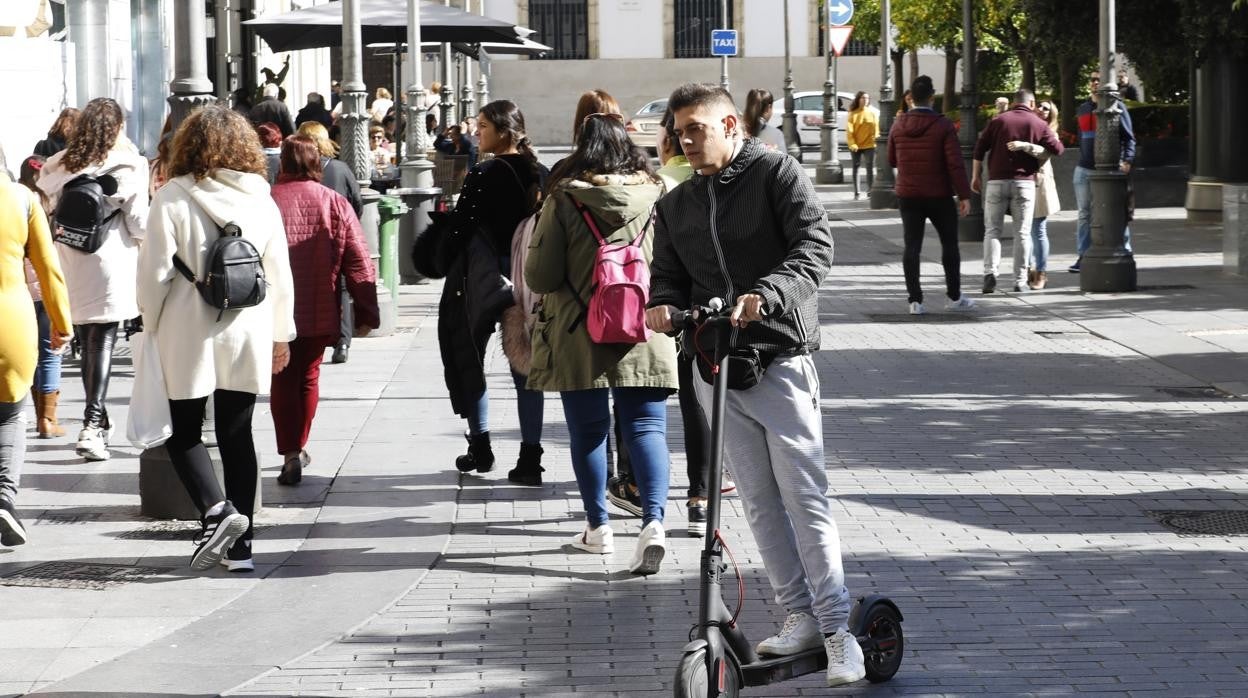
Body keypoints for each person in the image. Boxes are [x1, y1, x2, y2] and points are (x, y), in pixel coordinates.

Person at [646, 83, 864, 686]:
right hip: (715, 365)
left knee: (804, 498)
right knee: (761, 503)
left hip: (778, 356)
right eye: (679, 130)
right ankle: (799, 616)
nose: (686, 140)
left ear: (731, 124)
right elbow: (666, 273)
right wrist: (662, 304)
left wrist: (766, 294)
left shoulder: (776, 173)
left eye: (697, 128)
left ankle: (839, 629)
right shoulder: (678, 202)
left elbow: (815, 247)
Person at [138, 105, 296, 572]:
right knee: (237, 433)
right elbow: (278, 274)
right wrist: (280, 335)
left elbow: (154, 274)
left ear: (188, 145)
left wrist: (149, 320)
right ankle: (242, 550)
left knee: (183, 432)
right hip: (246, 325)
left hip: (187, 326)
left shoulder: (172, 197)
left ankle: (216, 511)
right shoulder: (261, 199)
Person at [525, 113, 675, 574]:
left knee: (589, 432)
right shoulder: (661, 194)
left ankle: (599, 528)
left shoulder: (565, 198)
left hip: (578, 332)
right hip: (646, 326)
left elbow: (540, 275)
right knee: (647, 429)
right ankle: (653, 523)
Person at [428, 100, 548, 483]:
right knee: (524, 365)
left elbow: (461, 229)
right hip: (526, 278)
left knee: (469, 353)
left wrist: (438, 240)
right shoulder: (539, 172)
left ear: (503, 131)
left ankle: (480, 446)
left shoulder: (485, 172)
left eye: (483, 127)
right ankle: (530, 455)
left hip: (482, 277)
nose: (477, 133)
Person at [37, 97, 149, 462]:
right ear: (116, 127)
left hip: (68, 259)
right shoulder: (128, 165)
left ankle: (97, 420)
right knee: (101, 343)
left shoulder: (59, 165)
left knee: (88, 343)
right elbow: (139, 224)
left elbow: (51, 209)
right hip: (109, 260)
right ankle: (93, 423)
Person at [270, 135, 379, 486]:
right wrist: (366, 313)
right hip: (318, 307)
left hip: (274, 311)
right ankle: (299, 447)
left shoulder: (266, 201)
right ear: (317, 163)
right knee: (308, 376)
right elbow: (359, 262)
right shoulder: (333, 202)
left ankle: (289, 451)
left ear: (282, 163)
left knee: (281, 379)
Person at [1, 145, 73, 548]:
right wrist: (62, 323)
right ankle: (5, 498)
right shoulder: (22, 198)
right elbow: (48, 267)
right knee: (11, 415)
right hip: (11, 319)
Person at [888, 75, 976, 315]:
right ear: (931, 96)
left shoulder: (898, 124)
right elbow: (955, 163)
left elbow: (891, 159)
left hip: (908, 194)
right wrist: (964, 195)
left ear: (911, 98)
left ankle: (915, 301)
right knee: (949, 244)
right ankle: (954, 296)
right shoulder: (943, 125)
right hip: (939, 195)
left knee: (911, 246)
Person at [971, 88, 1063, 294]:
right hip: (1024, 184)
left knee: (992, 230)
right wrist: (1032, 147)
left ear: (1014, 102)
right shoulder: (1038, 123)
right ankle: (1020, 281)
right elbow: (1058, 149)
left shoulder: (998, 121)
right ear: (1031, 104)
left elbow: (979, 148)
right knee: (1022, 233)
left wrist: (975, 176)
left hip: (996, 182)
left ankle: (990, 274)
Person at [296, 121, 362, 365]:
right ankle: (342, 341)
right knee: (341, 288)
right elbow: (356, 204)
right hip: (337, 238)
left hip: (305, 240)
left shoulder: (298, 173)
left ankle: (314, 336)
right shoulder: (340, 169)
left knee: (309, 287)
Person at [18, 156, 67, 438]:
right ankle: (47, 420)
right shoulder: (50, 202)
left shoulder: (17, 201)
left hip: (18, 292)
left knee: (26, 352)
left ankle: (21, 412)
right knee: (49, 354)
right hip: (46, 290)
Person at [1070, 72, 1136, 272]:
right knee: (1084, 215)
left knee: (1118, 212)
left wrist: (1127, 160)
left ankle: (1125, 251)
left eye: (1099, 79)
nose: (1095, 82)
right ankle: (1083, 255)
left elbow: (1129, 138)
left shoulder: (1118, 107)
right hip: (1084, 169)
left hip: (1112, 169)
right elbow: (1083, 138)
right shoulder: (1083, 109)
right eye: (1092, 79)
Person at [1023, 100, 1061, 290]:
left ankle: (1041, 272)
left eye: (1047, 108)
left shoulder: (1050, 132)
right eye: (1040, 106)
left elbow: (1045, 153)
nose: (1042, 110)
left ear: (1051, 114)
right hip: (1024, 181)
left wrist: (1025, 146)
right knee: (1025, 230)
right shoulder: (1028, 126)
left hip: (1040, 183)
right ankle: (1028, 270)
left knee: (1037, 229)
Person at [846, 91, 880, 200]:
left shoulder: (872, 113)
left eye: (867, 98)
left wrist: (876, 139)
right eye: (862, 98)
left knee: (869, 168)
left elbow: (876, 128)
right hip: (856, 145)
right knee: (856, 167)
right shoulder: (853, 113)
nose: (865, 100)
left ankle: (870, 191)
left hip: (869, 145)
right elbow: (849, 131)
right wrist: (852, 144)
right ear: (858, 100)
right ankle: (857, 193)